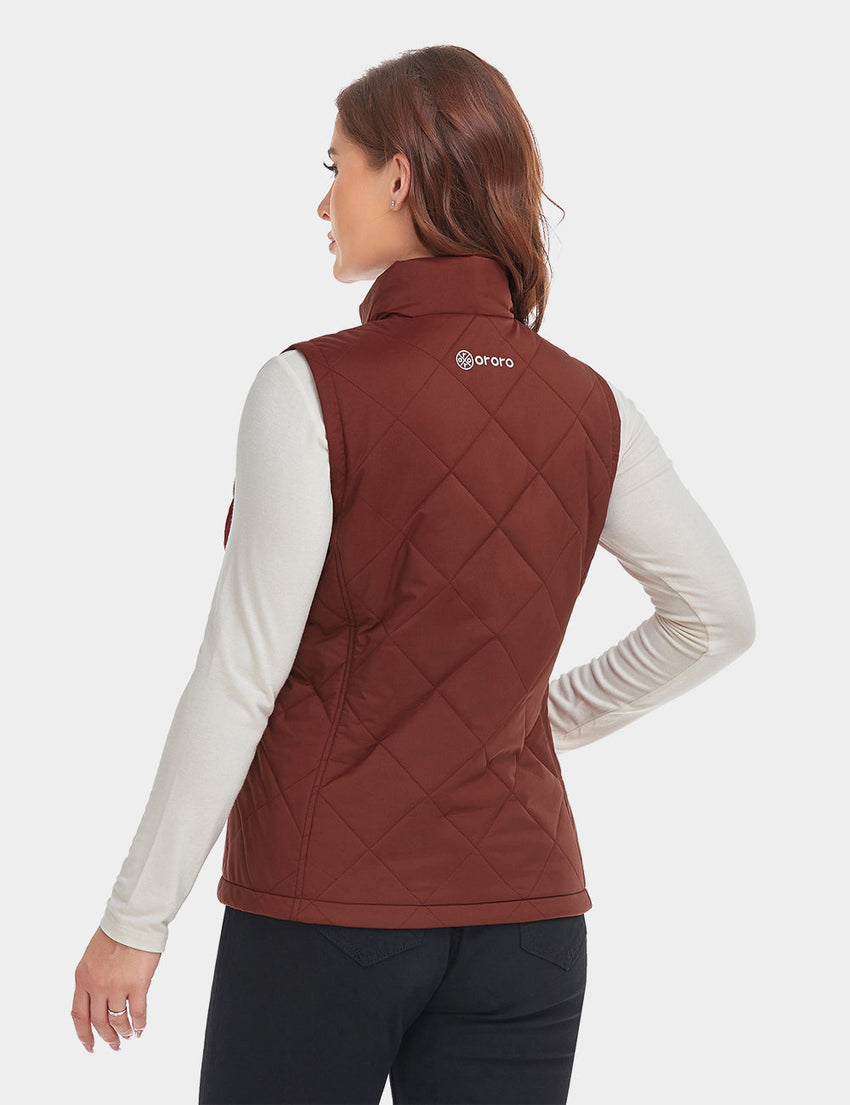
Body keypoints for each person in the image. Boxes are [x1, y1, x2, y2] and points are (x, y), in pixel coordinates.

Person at [71, 44, 756, 1105]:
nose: (322, 202)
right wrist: (537, 721)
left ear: (398, 178)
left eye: (335, 166)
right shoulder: (592, 404)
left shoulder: (308, 388)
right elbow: (715, 617)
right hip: (529, 926)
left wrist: (135, 919)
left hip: (324, 915)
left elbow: (240, 676)